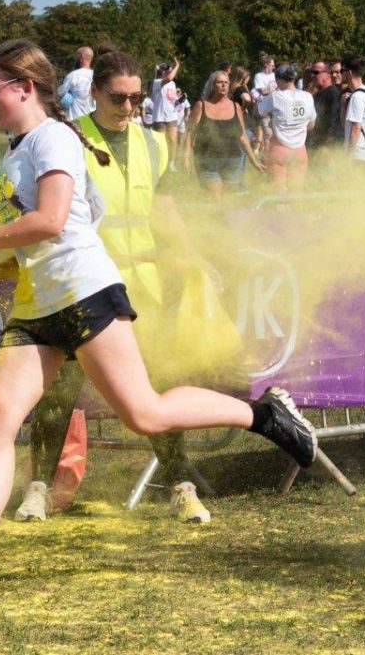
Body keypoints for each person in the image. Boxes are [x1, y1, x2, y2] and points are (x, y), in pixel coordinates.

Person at [0, 39, 318, 602]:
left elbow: (50, 220)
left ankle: (265, 415)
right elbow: (9, 248)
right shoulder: (10, 157)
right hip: (36, 307)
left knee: (145, 412)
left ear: (24, 87)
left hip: (84, 292)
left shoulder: (54, 139)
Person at [13, 46, 215, 525]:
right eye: (118, 98)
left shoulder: (154, 143)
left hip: (140, 285)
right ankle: (37, 490)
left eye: (136, 98)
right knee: (59, 390)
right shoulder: (65, 138)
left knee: (155, 388)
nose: (128, 108)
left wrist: (190, 256)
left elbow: (164, 209)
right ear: (95, 92)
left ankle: (181, 487)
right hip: (79, 282)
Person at [183, 70, 265, 200]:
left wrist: (253, 160)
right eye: (219, 82)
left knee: (230, 200)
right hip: (207, 161)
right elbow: (189, 132)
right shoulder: (201, 106)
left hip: (232, 161)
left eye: (226, 82)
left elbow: (242, 136)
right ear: (212, 85)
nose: (224, 85)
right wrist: (186, 156)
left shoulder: (235, 107)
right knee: (216, 199)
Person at [258, 65, 316, 193]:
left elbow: (258, 112)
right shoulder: (307, 97)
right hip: (300, 150)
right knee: (297, 192)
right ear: (294, 78)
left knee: (278, 192)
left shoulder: (275, 96)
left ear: (278, 80)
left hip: (279, 149)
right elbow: (311, 125)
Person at [149, 57, 181, 170]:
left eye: (169, 69)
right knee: (160, 143)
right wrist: (177, 65)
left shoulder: (172, 84)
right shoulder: (157, 82)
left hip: (171, 116)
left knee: (173, 141)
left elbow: (173, 100)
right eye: (166, 70)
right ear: (161, 72)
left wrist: (179, 101)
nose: (169, 71)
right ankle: (159, 164)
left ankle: (171, 164)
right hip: (159, 117)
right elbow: (169, 77)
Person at [343, 55, 365, 166]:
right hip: (362, 155)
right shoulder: (364, 93)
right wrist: (343, 104)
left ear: (349, 73)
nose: (340, 74)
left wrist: (349, 157)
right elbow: (346, 125)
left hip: (358, 156)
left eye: (343, 70)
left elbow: (356, 127)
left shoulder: (357, 97)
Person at [56, 46, 96, 121]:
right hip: (92, 118)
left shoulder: (73, 75)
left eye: (77, 56)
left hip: (75, 118)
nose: (75, 59)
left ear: (81, 57)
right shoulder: (96, 76)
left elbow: (60, 93)